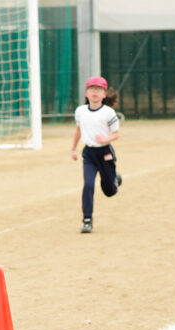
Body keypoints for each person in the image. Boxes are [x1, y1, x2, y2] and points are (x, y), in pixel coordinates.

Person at [70, 76, 122, 233]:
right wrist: (73, 148)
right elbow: (78, 130)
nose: (94, 92)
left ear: (104, 94)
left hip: (105, 153)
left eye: (98, 90)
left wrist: (105, 139)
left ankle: (115, 179)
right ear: (86, 93)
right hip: (89, 154)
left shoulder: (108, 112)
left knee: (109, 191)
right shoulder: (80, 111)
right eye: (91, 89)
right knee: (88, 184)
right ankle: (87, 221)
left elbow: (116, 134)